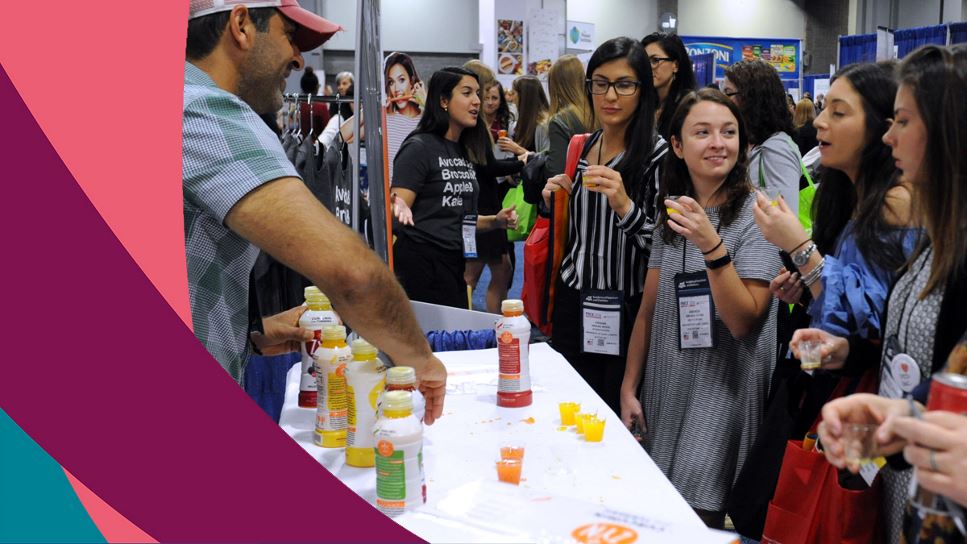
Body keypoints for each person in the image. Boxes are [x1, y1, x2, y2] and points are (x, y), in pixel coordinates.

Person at [182, 0, 446, 423]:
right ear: (241, 25)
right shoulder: (205, 110)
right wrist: (420, 359)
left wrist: (255, 331)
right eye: (289, 34)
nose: (298, 57)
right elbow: (352, 273)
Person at [795, 44, 967, 543]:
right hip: (909, 481)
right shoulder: (938, 235)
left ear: (947, 131)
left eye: (904, 121)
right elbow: (929, 366)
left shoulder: (913, 222)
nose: (891, 135)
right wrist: (888, 414)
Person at [620, 88, 781, 529]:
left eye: (729, 132)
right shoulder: (672, 212)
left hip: (723, 389)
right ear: (676, 145)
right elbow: (649, 311)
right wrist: (630, 385)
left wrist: (711, 245)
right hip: (667, 383)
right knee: (662, 511)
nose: (718, 143)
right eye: (703, 132)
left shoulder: (758, 213)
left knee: (698, 517)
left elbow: (744, 320)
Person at [540, 37, 667, 415]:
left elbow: (663, 248)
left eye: (623, 84)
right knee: (567, 412)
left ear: (642, 91)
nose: (610, 95)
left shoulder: (657, 155)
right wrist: (555, 198)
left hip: (624, 310)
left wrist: (625, 205)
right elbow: (576, 231)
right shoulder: (583, 146)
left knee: (611, 419)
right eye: (600, 83)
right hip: (572, 301)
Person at [390, 67, 519, 309]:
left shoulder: (463, 150)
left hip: (452, 262)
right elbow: (395, 207)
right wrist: (401, 209)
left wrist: (495, 221)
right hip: (419, 265)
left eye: (478, 94)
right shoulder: (419, 147)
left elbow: (458, 216)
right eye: (467, 93)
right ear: (443, 101)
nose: (477, 101)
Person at [462, 61, 523, 313]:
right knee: (476, 272)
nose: (483, 99)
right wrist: (521, 161)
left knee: (496, 268)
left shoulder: (471, 123)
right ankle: (482, 324)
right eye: (480, 92)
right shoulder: (474, 126)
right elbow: (486, 166)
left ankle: (486, 323)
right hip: (483, 202)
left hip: (482, 200)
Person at [724, 60, 802, 215]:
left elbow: (784, 220)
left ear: (750, 98)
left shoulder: (777, 150)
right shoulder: (749, 142)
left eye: (728, 93)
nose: (723, 100)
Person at [521, 54, 595, 205]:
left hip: (571, 202)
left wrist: (535, 159)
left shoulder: (561, 121)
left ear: (554, 84)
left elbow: (555, 172)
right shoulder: (596, 113)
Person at [641, 32, 697, 140]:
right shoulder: (646, 103)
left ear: (675, 65)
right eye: (644, 61)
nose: (648, 67)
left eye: (655, 60)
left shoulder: (688, 105)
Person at [384, 53, 425, 183]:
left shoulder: (427, 119)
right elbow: (341, 136)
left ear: (412, 81)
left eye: (401, 80)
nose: (396, 89)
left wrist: (426, 102)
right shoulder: (385, 118)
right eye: (391, 82)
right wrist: (371, 107)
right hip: (386, 198)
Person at [497, 75, 549, 157]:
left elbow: (548, 161)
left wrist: (518, 150)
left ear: (524, 96)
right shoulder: (521, 124)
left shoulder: (544, 126)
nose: (511, 98)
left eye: (513, 93)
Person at [298, 66, 329, 139]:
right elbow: (327, 129)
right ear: (317, 87)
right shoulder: (321, 107)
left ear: (302, 87)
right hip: (316, 145)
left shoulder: (297, 106)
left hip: (300, 143)